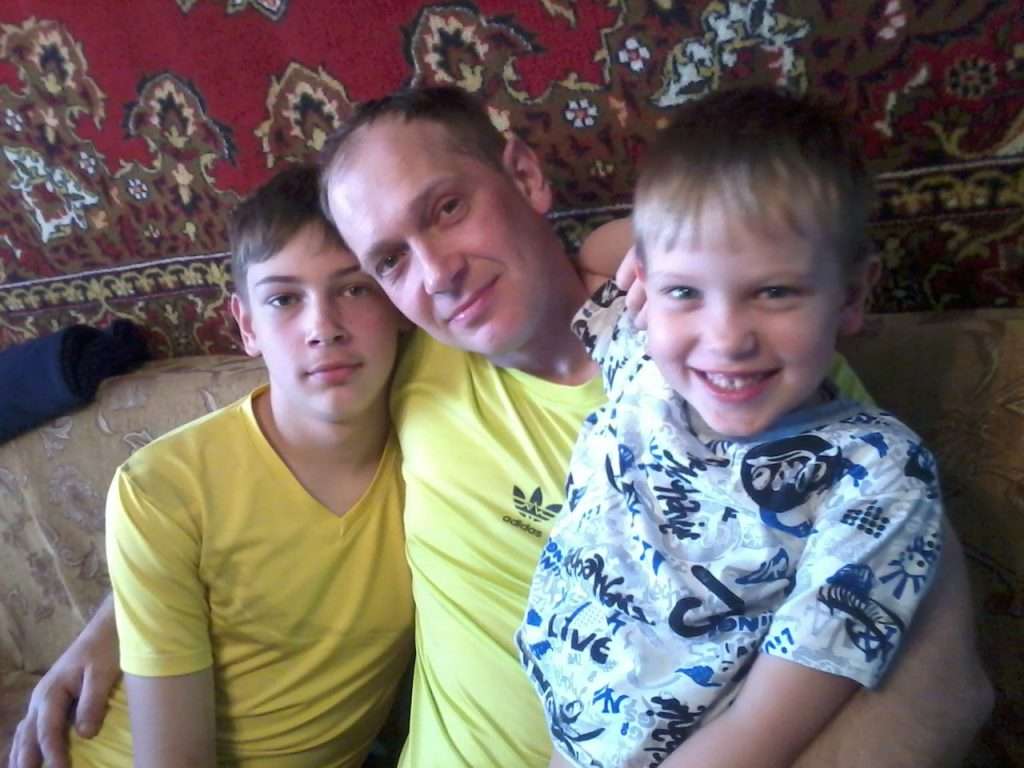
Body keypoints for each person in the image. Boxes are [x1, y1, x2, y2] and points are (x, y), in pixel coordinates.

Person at [10, 87, 992, 768]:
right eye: (389, 261)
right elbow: (242, 465)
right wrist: (124, 615)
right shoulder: (400, 362)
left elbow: (940, 674)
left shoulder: (718, 359)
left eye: (448, 209)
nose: (434, 273)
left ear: (523, 174)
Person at [515, 86, 944, 768]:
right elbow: (599, 251)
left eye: (774, 291)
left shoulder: (877, 473)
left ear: (852, 295)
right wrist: (659, 261)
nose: (724, 339)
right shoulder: (640, 358)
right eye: (687, 291)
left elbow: (757, 734)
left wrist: (682, 269)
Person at [53, 165, 413, 767]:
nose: (323, 329)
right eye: (283, 299)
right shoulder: (162, 487)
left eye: (354, 289)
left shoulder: (439, 448)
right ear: (247, 325)